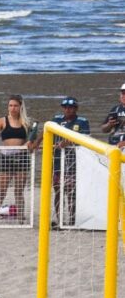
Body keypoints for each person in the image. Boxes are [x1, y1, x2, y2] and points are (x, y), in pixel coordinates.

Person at [0, 95, 35, 225]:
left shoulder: (27, 122)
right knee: (1, 192)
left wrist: (29, 144)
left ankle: (21, 221)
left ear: (20, 107)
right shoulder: (2, 121)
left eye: (15, 106)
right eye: (10, 105)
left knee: (19, 191)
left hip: (21, 158)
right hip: (6, 158)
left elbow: (31, 140)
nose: (12, 108)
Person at [51, 97, 90, 226]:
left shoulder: (82, 121)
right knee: (57, 191)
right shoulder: (57, 120)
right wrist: (36, 142)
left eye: (71, 107)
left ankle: (72, 221)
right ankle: (60, 220)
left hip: (74, 162)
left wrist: (67, 142)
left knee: (71, 192)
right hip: (57, 162)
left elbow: (85, 138)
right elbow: (46, 132)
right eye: (66, 107)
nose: (68, 109)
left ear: (76, 108)